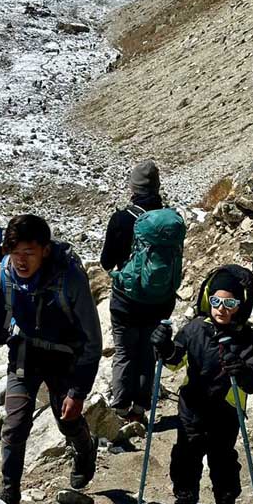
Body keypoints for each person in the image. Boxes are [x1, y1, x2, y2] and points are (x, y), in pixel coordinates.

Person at [0, 214, 102, 504]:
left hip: (65, 355)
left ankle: (84, 449)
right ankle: (10, 494)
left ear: (45, 251)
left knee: (67, 417)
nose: (20, 261)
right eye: (14, 253)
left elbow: (92, 341)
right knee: (14, 425)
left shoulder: (70, 279)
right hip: (25, 352)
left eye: (28, 253)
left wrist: (78, 392)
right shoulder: (1, 276)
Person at [151, 265, 253, 504]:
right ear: (208, 299)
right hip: (192, 405)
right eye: (216, 301)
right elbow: (175, 362)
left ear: (241, 305)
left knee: (223, 457)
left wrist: (242, 369)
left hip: (226, 411)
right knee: (185, 454)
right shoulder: (194, 329)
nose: (221, 308)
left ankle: (226, 502)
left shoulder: (249, 342)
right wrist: (164, 346)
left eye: (230, 302)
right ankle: (185, 500)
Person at [100, 161, 183, 425]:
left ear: (133, 188)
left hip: (126, 299)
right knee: (148, 352)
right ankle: (141, 408)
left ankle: (121, 410)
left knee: (125, 353)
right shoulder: (171, 220)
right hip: (161, 300)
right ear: (157, 187)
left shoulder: (123, 219)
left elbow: (106, 261)